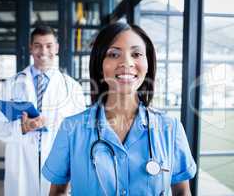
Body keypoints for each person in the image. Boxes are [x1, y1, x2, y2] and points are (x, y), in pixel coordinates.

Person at [42, 22, 197, 196]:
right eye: (114, 54)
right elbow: (57, 192)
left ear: (148, 63)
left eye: (136, 54)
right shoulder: (71, 129)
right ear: (100, 64)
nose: (126, 63)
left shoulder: (170, 129)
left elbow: (182, 192)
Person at [0, 25, 86, 196]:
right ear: (31, 48)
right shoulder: (11, 84)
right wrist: (22, 128)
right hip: (21, 162)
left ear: (56, 48)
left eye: (49, 45)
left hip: (57, 163)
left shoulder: (72, 87)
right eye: (38, 45)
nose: (43, 51)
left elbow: (80, 133)